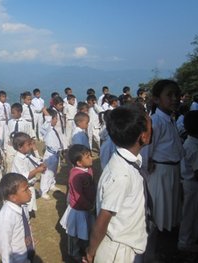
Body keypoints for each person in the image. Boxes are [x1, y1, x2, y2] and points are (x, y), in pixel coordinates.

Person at [84, 105, 152, 263]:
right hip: (119, 251)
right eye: (150, 127)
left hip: (130, 241)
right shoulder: (121, 174)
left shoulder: (130, 163)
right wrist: (91, 251)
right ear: (143, 136)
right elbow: (103, 217)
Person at [143, 79, 183, 233]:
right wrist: (148, 164)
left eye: (176, 94)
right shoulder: (155, 122)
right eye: (169, 95)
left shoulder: (170, 119)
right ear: (156, 99)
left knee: (170, 206)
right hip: (160, 172)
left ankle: (165, 235)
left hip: (172, 170)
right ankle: (156, 241)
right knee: (159, 208)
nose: (174, 98)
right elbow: (147, 149)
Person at [60, 144, 95, 262]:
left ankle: (84, 249)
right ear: (79, 163)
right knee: (73, 234)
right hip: (78, 209)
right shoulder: (75, 175)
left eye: (90, 155)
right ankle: (73, 253)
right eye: (88, 157)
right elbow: (77, 195)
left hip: (87, 207)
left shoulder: (88, 169)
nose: (91, 158)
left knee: (85, 230)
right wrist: (89, 206)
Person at [0, 173, 35, 263]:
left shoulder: (22, 207)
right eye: (26, 190)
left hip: (26, 255)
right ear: (13, 197)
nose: (30, 191)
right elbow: (5, 247)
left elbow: (26, 227)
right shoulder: (6, 218)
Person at [177, 110, 198, 252]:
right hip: (192, 184)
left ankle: (190, 239)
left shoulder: (189, 142)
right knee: (190, 214)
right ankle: (184, 241)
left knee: (191, 213)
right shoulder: (194, 147)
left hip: (188, 182)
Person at [11, 132, 47, 212]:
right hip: (21, 188)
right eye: (28, 145)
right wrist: (37, 170)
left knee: (28, 207)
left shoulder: (28, 155)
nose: (31, 146)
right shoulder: (18, 159)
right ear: (20, 147)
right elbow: (25, 176)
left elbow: (37, 160)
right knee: (23, 208)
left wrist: (41, 164)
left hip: (29, 187)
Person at [40, 108, 63, 200]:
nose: (56, 120)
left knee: (53, 171)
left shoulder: (53, 129)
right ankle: (43, 191)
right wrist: (45, 110)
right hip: (49, 154)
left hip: (55, 154)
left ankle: (51, 185)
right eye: (55, 118)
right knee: (46, 173)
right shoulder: (46, 128)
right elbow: (48, 119)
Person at [6, 103, 36, 172]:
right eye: (12, 113)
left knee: (21, 164)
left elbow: (30, 136)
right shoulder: (10, 122)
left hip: (22, 148)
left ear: (20, 112)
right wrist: (6, 148)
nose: (12, 114)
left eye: (14, 113)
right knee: (10, 164)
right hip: (11, 147)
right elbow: (7, 135)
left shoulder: (26, 123)